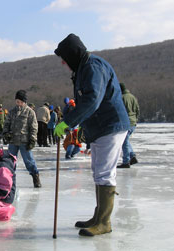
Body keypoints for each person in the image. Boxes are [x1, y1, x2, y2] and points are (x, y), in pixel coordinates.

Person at [54, 33, 130, 236]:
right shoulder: (82, 69)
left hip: (110, 125)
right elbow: (84, 101)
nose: (63, 62)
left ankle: (104, 223)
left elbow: (92, 100)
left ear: (72, 54)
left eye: (64, 58)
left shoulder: (93, 67)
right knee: (98, 171)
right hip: (99, 128)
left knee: (105, 173)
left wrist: (68, 123)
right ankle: (98, 217)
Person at [3, 90, 41, 188]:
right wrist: (6, 133)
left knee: (29, 161)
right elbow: (6, 124)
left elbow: (34, 127)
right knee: (10, 162)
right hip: (13, 141)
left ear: (24, 101)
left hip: (25, 141)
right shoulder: (11, 112)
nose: (18, 103)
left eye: (20, 101)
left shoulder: (30, 112)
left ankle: (35, 177)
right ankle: (9, 181)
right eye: (17, 101)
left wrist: (32, 139)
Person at [117, 83, 140, 168]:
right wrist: (136, 120)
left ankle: (126, 161)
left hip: (126, 122)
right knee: (125, 140)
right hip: (133, 122)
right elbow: (137, 110)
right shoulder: (133, 97)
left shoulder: (121, 98)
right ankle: (132, 156)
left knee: (124, 141)